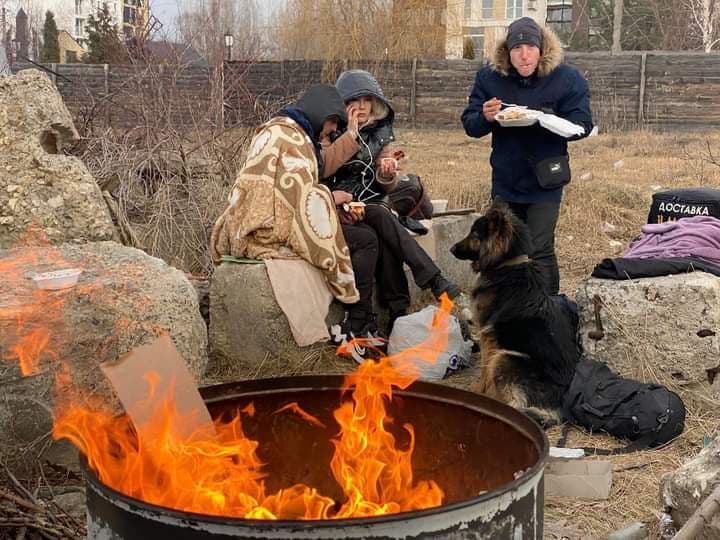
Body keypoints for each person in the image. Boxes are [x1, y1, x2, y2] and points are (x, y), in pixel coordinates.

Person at [321, 69, 461, 336]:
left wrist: (387, 173)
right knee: (382, 223)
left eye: (366, 100)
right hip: (339, 206)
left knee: (383, 226)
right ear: (343, 103)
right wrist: (350, 132)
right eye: (354, 100)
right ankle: (431, 281)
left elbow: (389, 185)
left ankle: (397, 313)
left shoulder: (380, 132)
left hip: (372, 203)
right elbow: (326, 169)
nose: (361, 106)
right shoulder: (330, 130)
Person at [461, 17, 593, 295]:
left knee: (540, 248)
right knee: (501, 248)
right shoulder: (490, 78)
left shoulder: (565, 78)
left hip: (546, 179)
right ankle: (507, 307)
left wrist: (548, 119)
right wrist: (485, 116)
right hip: (506, 179)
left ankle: (548, 309)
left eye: (530, 47)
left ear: (542, 49)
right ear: (507, 52)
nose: (524, 54)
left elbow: (582, 125)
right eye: (517, 47)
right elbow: (470, 124)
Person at [210, 84, 364, 309]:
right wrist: (331, 198)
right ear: (322, 114)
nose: (332, 130)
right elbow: (298, 199)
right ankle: (354, 314)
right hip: (265, 227)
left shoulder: (279, 129)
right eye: (333, 123)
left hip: (244, 220)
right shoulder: (293, 138)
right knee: (365, 239)